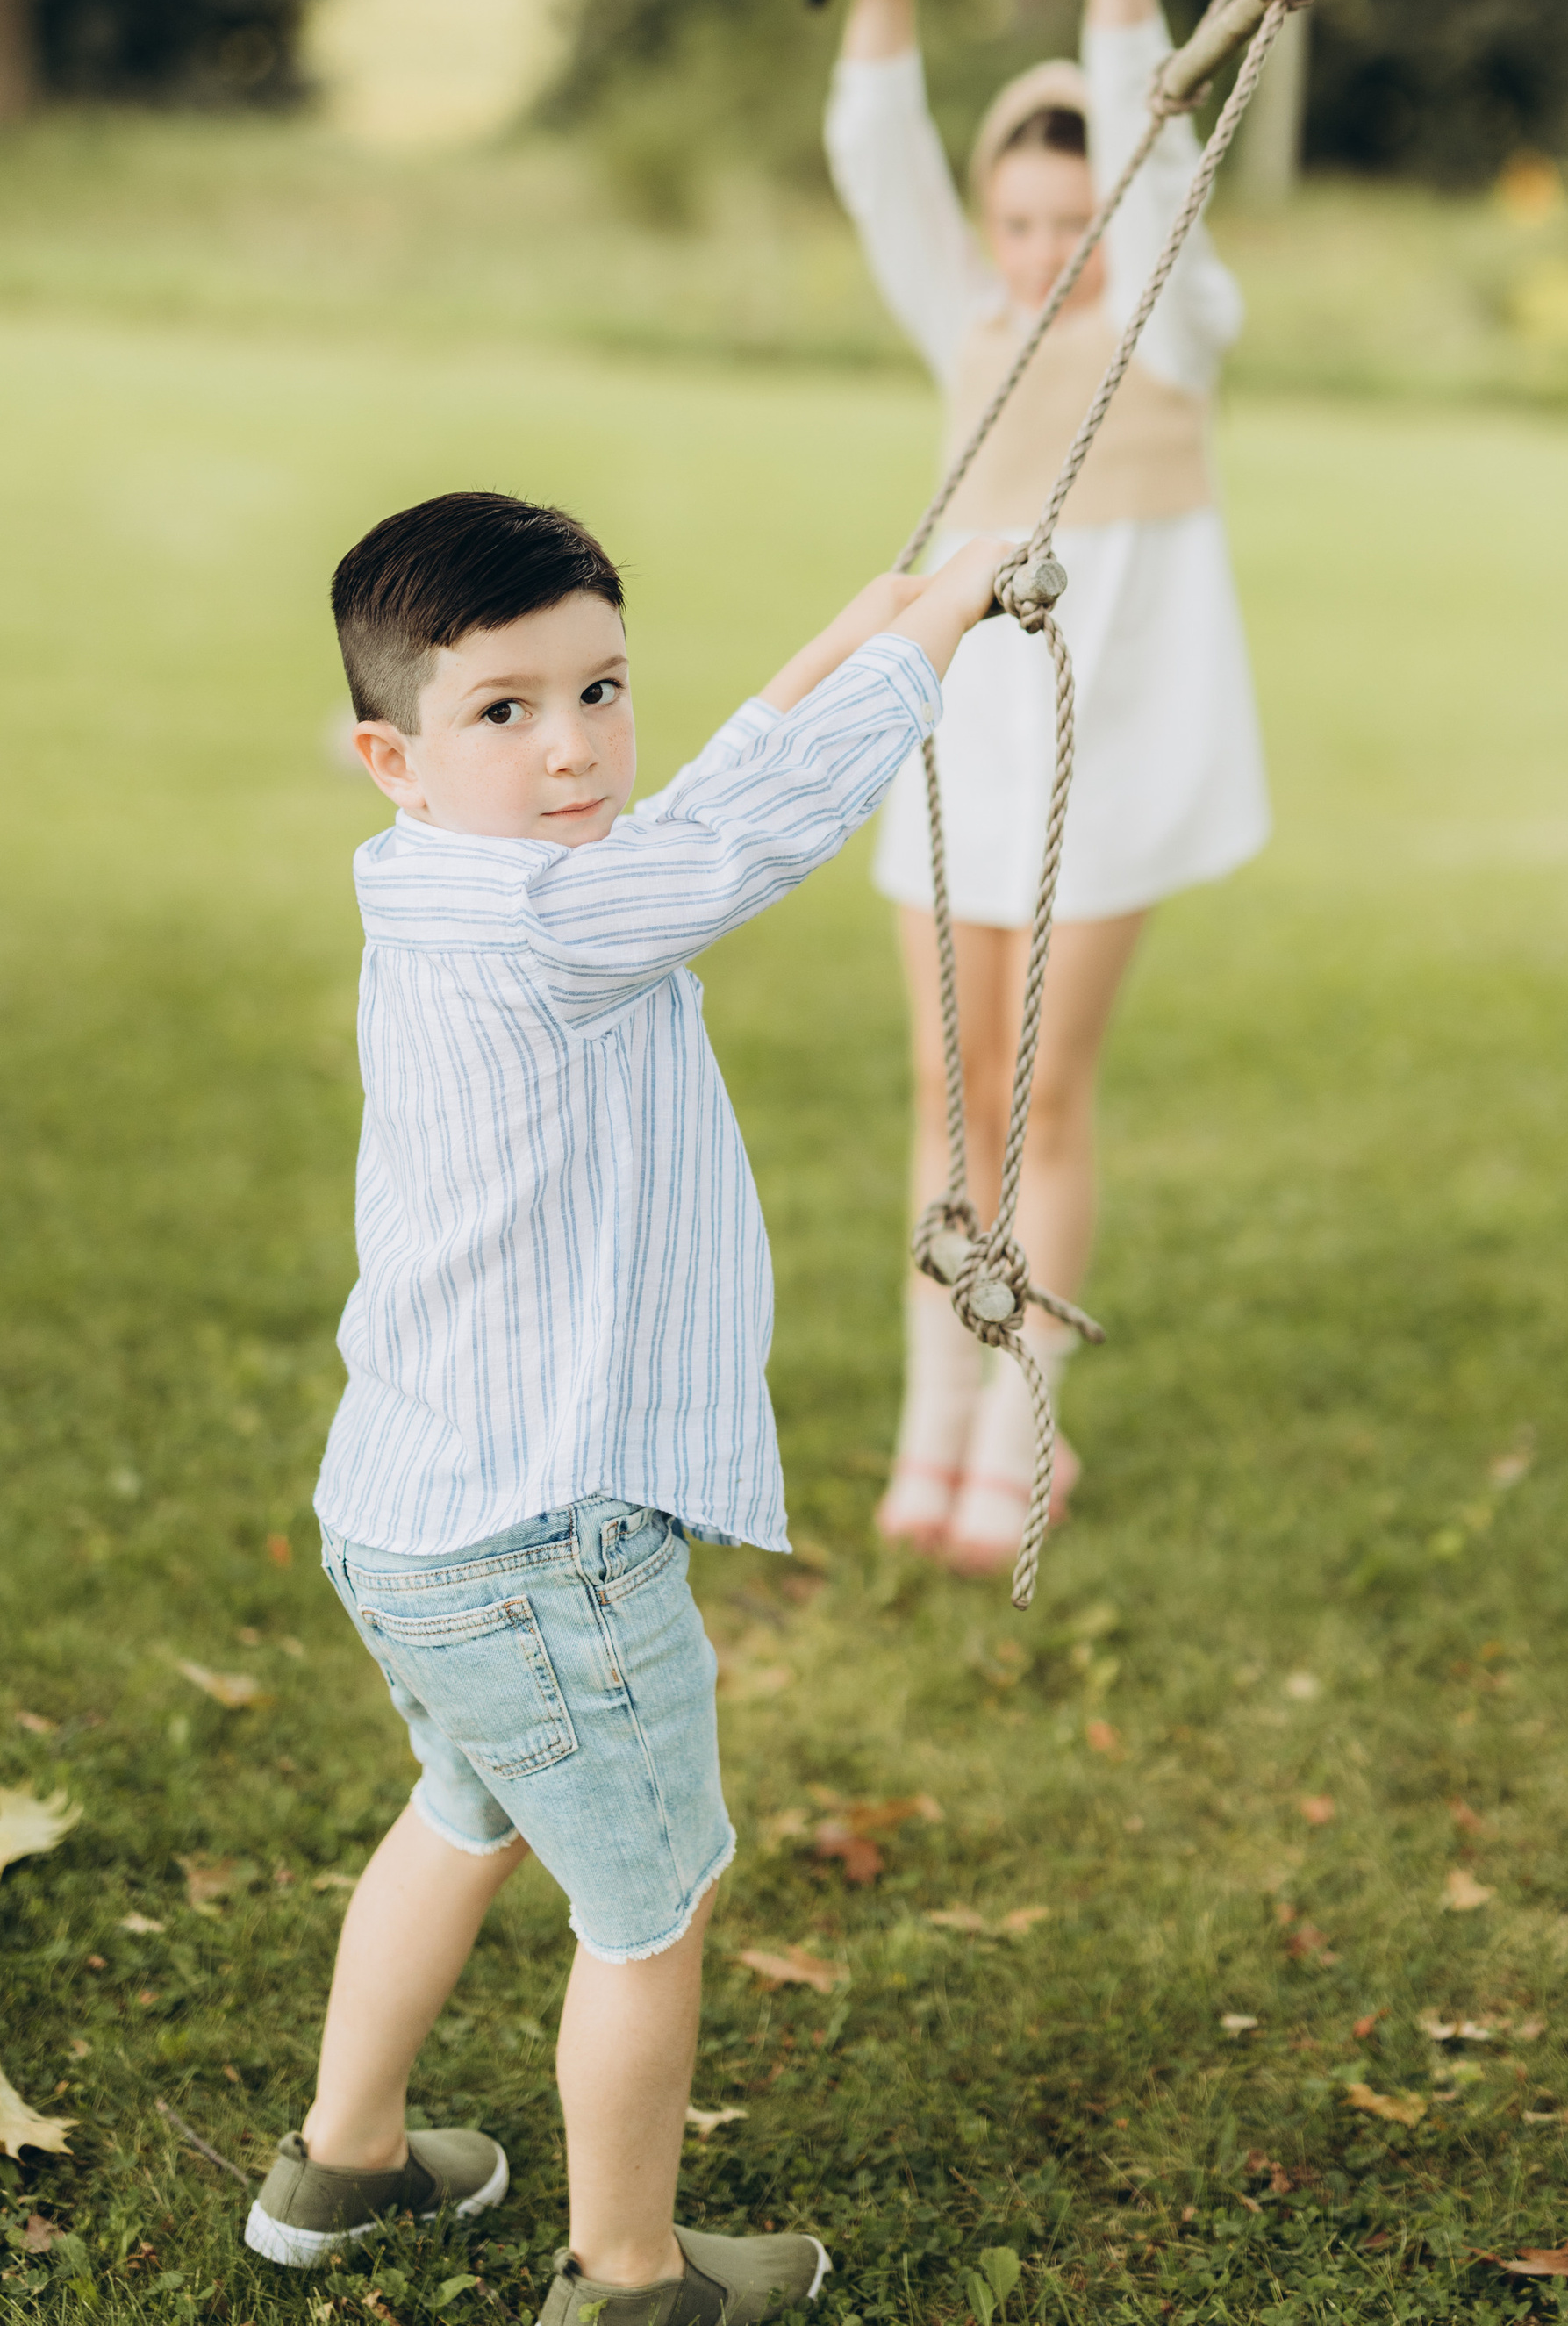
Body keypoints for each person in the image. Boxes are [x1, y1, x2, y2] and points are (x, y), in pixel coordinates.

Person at [244, 487, 1005, 2323]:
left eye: (602, 690)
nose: (572, 746)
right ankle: (629, 2273)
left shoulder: (438, 876)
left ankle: (342, 2163)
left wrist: (856, 623)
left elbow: (706, 801)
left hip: (414, 1514)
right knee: (647, 1908)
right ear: (389, 754)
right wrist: (941, 632)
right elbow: (760, 839)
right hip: (544, 1539)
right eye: (505, 711)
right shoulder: (551, 927)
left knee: (459, 1806)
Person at [820, 0, 1271, 1577]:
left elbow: (1145, 137)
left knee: (1041, 1101)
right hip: (957, 758)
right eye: (1010, 222)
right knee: (947, 1092)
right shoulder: (966, 324)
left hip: (1107, 768)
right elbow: (877, 169)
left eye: (1063, 227)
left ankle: (1021, 1427)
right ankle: (929, 1429)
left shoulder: (1171, 327)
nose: (1033, 254)